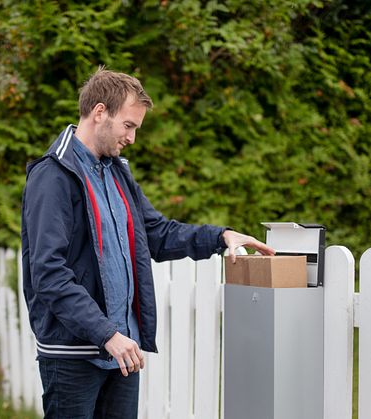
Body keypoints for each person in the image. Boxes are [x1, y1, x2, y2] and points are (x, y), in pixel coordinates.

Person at [21, 67, 274, 418]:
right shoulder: (52, 176)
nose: (132, 138)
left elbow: (156, 233)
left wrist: (220, 236)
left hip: (123, 353)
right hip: (74, 355)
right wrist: (105, 333)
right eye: (129, 126)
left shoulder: (116, 171)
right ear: (99, 112)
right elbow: (48, 273)